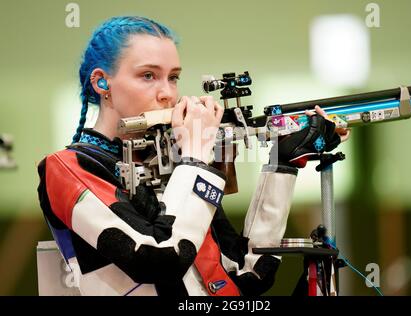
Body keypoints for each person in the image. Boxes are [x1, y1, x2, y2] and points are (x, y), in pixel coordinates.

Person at [37, 16, 350, 296]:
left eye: (173, 77)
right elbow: (159, 259)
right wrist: (195, 160)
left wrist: (284, 161)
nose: (167, 93)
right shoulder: (67, 168)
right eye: (148, 75)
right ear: (102, 82)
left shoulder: (172, 160)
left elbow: (247, 274)